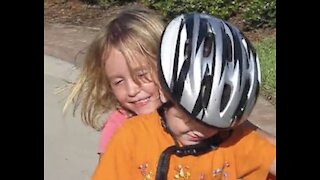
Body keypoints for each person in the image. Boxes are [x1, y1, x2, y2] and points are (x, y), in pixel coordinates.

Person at [92, 12, 276, 180]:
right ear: (166, 88)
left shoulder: (236, 140)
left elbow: (264, 151)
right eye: (188, 117)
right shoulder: (129, 134)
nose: (199, 130)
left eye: (210, 124)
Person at [63, 5, 165, 156]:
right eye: (118, 82)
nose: (132, 90)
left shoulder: (190, 119)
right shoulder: (118, 128)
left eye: (142, 75)